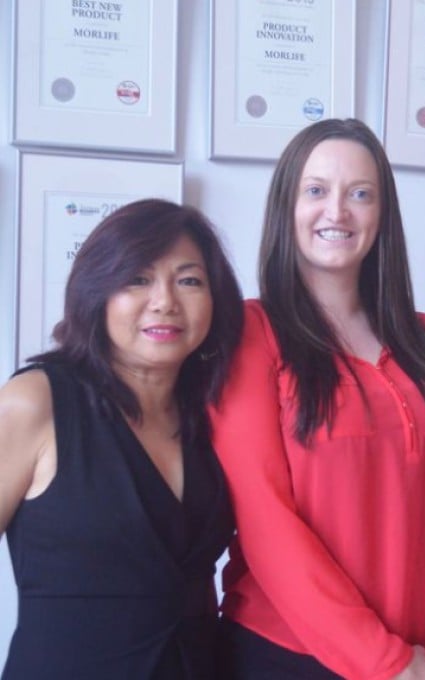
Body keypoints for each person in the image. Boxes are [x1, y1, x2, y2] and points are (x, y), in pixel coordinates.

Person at [209, 118, 425, 680]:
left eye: (360, 194)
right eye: (316, 190)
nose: (337, 211)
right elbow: (264, 520)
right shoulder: (252, 334)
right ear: (287, 206)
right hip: (286, 655)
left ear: (383, 214)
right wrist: (389, 663)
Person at [0, 199, 244, 678]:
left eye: (189, 281)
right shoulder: (36, 401)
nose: (165, 301)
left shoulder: (212, 414)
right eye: (137, 279)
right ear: (97, 291)